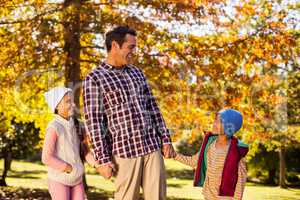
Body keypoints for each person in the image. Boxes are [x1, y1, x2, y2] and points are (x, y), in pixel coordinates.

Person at [83, 25, 176, 200]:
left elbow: (153, 108)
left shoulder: (137, 73)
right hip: (124, 152)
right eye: (130, 47)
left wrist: (165, 139)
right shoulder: (95, 78)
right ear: (115, 46)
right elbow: (94, 123)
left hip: (151, 146)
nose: (134, 52)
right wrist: (102, 160)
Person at [174, 109, 248, 200]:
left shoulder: (236, 152)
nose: (214, 123)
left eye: (219, 121)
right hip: (208, 196)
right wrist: (174, 155)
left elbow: (240, 181)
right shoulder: (209, 145)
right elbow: (194, 161)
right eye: (215, 119)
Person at [42, 86, 97, 200]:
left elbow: (85, 151)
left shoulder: (78, 125)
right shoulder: (54, 127)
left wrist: (97, 164)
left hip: (77, 180)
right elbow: (46, 158)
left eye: (72, 101)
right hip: (59, 180)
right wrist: (69, 168)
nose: (72, 104)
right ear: (57, 106)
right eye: (68, 101)